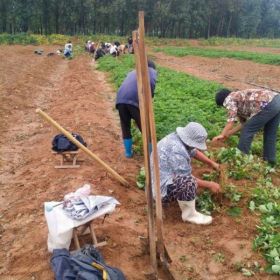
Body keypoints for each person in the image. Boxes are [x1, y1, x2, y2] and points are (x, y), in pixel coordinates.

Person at [151, 122, 220, 225]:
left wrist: (211, 163)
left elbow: (194, 152)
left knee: (187, 180)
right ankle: (190, 215)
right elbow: (186, 178)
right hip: (160, 187)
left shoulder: (177, 138)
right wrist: (210, 185)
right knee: (188, 183)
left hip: (160, 176)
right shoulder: (177, 151)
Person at [213, 88, 280, 164]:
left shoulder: (229, 99)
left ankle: (241, 159)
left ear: (223, 102)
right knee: (270, 133)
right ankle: (270, 161)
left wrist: (222, 135)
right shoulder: (239, 100)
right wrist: (228, 134)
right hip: (277, 99)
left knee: (247, 131)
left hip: (267, 103)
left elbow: (230, 122)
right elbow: (243, 124)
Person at [116, 60, 157, 158]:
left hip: (120, 99)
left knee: (125, 126)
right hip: (134, 100)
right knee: (146, 128)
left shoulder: (133, 72)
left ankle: (128, 153)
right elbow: (150, 89)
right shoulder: (151, 73)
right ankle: (151, 155)